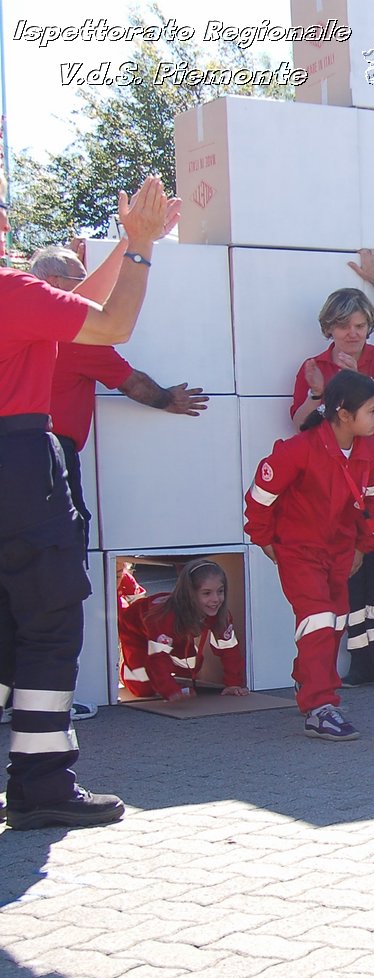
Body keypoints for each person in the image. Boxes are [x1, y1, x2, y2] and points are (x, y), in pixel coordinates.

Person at [2, 173, 177, 831]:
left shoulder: (21, 299)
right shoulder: (9, 293)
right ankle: (41, 785)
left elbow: (66, 305)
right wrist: (140, 250)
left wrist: (130, 240)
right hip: (17, 466)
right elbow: (111, 324)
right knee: (48, 623)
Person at [294, 251, 374, 692]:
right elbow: (299, 425)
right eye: (344, 325)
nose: (353, 333)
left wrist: (357, 381)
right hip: (339, 499)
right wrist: (318, 392)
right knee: (352, 580)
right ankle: (362, 665)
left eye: (360, 325)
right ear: (329, 327)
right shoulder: (315, 367)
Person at [34, 245, 208, 552]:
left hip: (21, 450)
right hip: (49, 455)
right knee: (63, 542)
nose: (93, 292)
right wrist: (170, 399)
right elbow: (132, 383)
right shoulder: (74, 336)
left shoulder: (25, 325)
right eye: (80, 279)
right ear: (55, 282)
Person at [245, 370, 374, 740]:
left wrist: (362, 546)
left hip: (339, 551)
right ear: (343, 413)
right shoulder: (297, 451)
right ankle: (320, 707)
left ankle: (307, 682)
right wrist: (264, 539)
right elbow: (260, 497)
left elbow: (372, 504)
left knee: (335, 621)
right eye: (372, 410)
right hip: (299, 550)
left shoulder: (373, 451)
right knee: (319, 619)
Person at [117, 559, 247, 702]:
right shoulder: (164, 618)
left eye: (220, 591)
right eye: (207, 593)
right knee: (143, 689)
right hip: (135, 630)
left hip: (176, 630)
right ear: (189, 595)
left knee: (191, 667)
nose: (215, 599)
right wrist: (171, 691)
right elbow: (158, 657)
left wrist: (233, 683)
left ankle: (169, 675)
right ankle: (128, 669)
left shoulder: (220, 614)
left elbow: (229, 650)